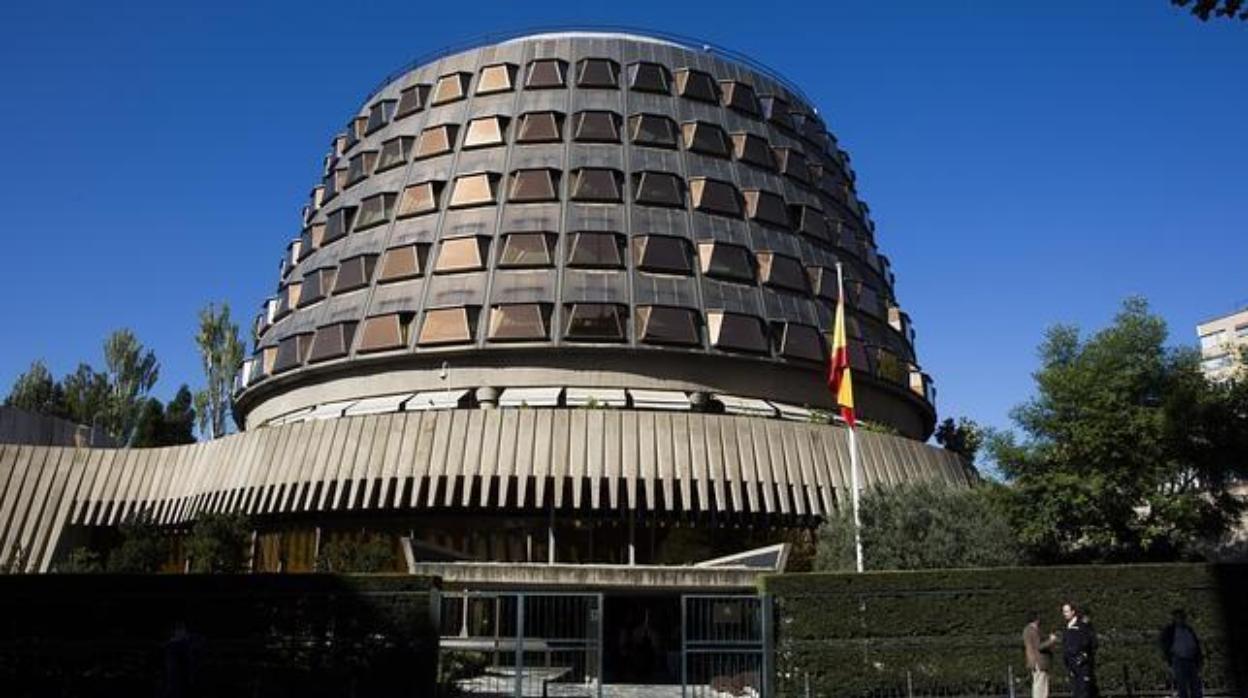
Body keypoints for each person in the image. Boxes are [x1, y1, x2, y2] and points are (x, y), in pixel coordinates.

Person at [1160, 609, 1203, 698]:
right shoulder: (1170, 630)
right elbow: (1164, 644)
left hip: (1191, 659)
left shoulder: (1189, 629)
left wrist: (1199, 659)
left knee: (1195, 685)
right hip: (1178, 659)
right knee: (1182, 685)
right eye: (1178, 617)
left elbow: (1196, 644)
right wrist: (1168, 658)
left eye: (1182, 617)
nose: (1181, 619)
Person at [1061, 601, 1098, 698]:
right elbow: (1065, 645)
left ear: (1073, 612)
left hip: (1081, 664)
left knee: (1084, 691)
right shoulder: (1066, 627)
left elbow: (1090, 642)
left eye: (1066, 611)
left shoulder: (1082, 625)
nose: (1064, 614)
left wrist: (1083, 655)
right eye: (1064, 612)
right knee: (1075, 691)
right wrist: (1067, 661)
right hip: (1071, 665)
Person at [1023, 611, 1057, 698]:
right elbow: (1039, 646)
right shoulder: (1033, 630)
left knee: (1039, 685)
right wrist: (1051, 640)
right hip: (1039, 661)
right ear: (1036, 619)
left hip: (1034, 662)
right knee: (1041, 688)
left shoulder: (1027, 630)